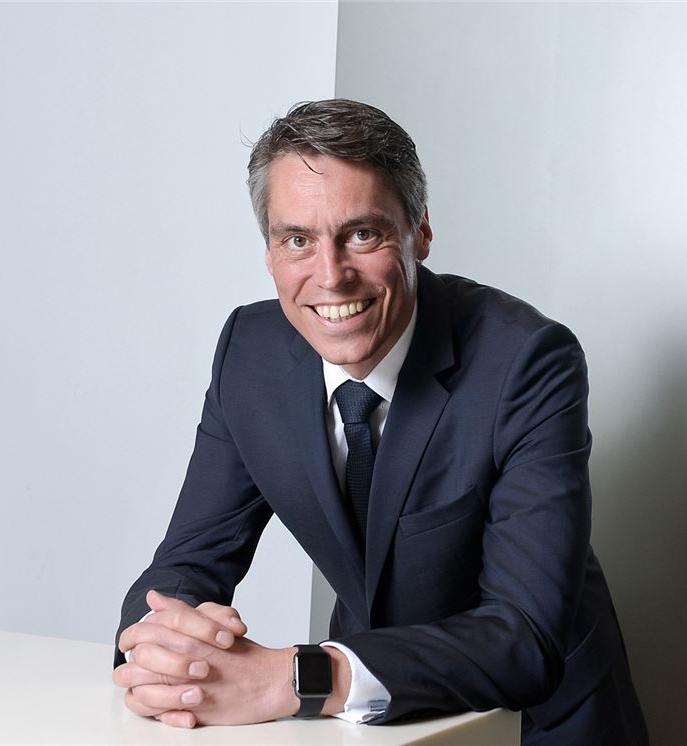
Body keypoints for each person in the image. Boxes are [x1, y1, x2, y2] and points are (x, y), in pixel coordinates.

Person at [113, 99, 649, 744]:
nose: (331, 277)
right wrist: (166, 649)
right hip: (368, 722)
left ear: (420, 231)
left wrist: (296, 677)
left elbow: (525, 637)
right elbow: (186, 563)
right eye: (298, 240)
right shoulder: (249, 355)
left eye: (363, 234)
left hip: (537, 722)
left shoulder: (526, 362)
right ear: (269, 251)